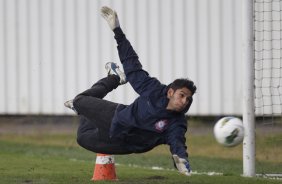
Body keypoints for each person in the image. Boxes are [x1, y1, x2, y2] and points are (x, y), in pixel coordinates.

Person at [64, 6, 197, 176]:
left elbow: (177, 142)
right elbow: (133, 64)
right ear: (170, 92)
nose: (184, 101)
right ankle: (115, 78)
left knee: (82, 138)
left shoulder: (177, 123)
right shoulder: (154, 90)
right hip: (115, 119)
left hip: (123, 144)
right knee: (80, 101)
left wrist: (180, 158)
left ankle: (112, 80)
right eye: (182, 95)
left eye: (188, 99)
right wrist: (117, 31)